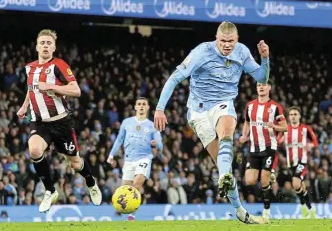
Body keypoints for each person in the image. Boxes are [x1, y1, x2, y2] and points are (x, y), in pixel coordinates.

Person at [154, 21, 269, 224]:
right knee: (222, 162)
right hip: (198, 112)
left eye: (230, 41)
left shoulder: (242, 52)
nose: (226, 45)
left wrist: (265, 58)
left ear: (237, 39)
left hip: (223, 104)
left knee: (226, 134)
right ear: (216, 38)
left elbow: (261, 76)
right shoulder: (201, 52)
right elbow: (174, 78)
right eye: (223, 41)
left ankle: (225, 179)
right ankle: (240, 210)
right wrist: (160, 109)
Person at [16, 29, 102, 213]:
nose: (45, 46)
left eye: (49, 43)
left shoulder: (59, 65)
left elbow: (76, 90)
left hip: (60, 123)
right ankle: (50, 190)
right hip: (39, 121)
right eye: (43, 43)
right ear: (37, 46)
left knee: (76, 164)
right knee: (34, 149)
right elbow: (32, 89)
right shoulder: (29, 68)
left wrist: (52, 86)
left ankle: (91, 182)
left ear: (54, 47)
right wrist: (24, 107)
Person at [108, 97, 163, 219]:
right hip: (129, 160)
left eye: (144, 104)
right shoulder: (127, 122)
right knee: (126, 187)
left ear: (148, 107)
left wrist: (156, 144)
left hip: (144, 158)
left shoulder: (152, 125)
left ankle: (132, 213)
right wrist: (111, 154)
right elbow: (119, 140)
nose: (142, 106)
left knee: (138, 182)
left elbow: (161, 145)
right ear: (135, 107)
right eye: (139, 104)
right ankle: (122, 206)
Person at [239, 81, 287, 219]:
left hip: (269, 147)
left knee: (264, 179)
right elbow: (247, 123)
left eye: (264, 85)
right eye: (259, 85)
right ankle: (269, 173)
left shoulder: (275, 107)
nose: (261, 87)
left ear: (269, 88)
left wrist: (274, 126)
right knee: (249, 180)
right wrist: (244, 135)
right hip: (254, 148)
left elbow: (285, 127)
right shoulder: (250, 106)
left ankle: (266, 211)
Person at [279, 106, 318, 218]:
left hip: (302, 160)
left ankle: (303, 206)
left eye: (295, 114)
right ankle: (310, 208)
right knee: (301, 187)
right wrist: (280, 141)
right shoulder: (285, 130)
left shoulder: (306, 129)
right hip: (291, 162)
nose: (293, 117)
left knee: (295, 183)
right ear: (288, 117)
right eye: (291, 115)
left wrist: (310, 145)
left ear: (299, 116)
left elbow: (315, 142)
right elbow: (278, 142)